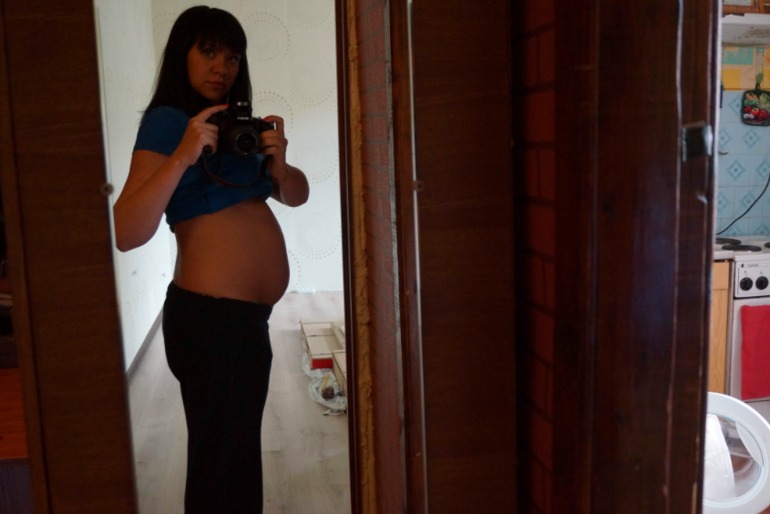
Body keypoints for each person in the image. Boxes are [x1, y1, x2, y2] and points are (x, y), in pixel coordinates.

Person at [113, 6, 309, 513]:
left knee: (231, 464)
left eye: (233, 56)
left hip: (242, 322)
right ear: (183, 53)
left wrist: (280, 165)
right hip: (210, 322)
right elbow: (127, 231)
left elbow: (296, 195)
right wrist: (183, 154)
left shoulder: (237, 126)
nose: (222, 66)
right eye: (208, 51)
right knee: (223, 471)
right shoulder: (169, 122)